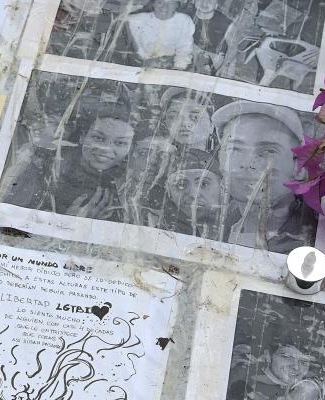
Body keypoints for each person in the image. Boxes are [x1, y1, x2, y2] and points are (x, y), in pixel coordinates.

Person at [4, 102, 137, 222]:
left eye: (120, 143)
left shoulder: (128, 186)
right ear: (82, 137)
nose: (106, 149)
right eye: (98, 138)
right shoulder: (41, 168)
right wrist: (70, 222)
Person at [210, 101, 311, 252]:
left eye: (269, 151)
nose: (246, 163)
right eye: (235, 149)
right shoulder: (216, 221)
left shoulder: (306, 239)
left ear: (299, 167)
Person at [126, 0, 195, 69]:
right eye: (160, 2)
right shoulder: (135, 19)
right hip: (138, 65)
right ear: (153, 3)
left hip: (171, 66)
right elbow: (132, 49)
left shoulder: (184, 20)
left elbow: (185, 49)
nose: (165, 7)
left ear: (177, 5)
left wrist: (179, 67)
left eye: (171, 3)